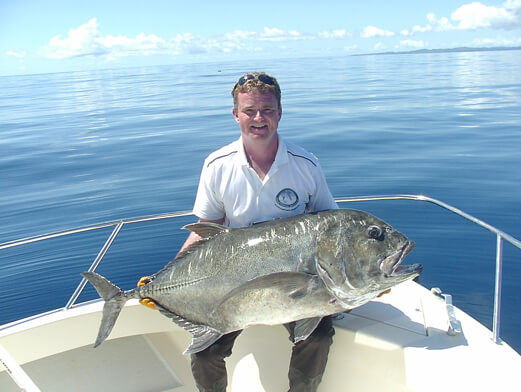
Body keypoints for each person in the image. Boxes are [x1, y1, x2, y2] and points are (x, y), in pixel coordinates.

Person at [181, 72, 338, 392]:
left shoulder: (305, 164)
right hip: (234, 281)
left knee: (318, 337)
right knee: (204, 351)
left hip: (295, 281)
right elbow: (205, 229)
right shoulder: (217, 166)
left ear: (279, 113)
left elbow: (332, 226)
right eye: (250, 110)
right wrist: (170, 274)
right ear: (236, 114)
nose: (258, 118)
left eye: (267, 110)